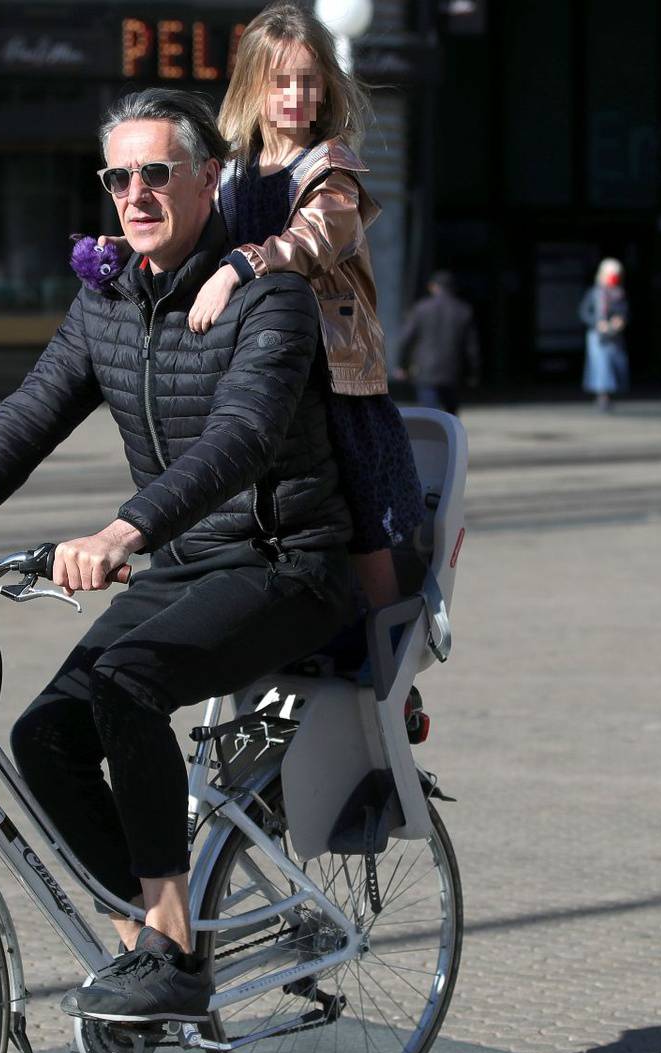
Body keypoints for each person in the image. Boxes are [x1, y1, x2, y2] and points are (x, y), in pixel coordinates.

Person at [0, 88, 353, 1023]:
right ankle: (145, 940)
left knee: (127, 680)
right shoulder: (106, 303)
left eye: (156, 173)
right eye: (119, 177)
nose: (135, 194)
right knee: (43, 738)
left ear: (209, 178)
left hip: (288, 561)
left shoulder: (272, 295)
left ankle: (175, 949)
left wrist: (120, 531)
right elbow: (28, 417)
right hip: (186, 564)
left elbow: (244, 437)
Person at [193, 0, 424, 619]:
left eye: (308, 79)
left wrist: (238, 267)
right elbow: (194, 238)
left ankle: (389, 645)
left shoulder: (332, 169)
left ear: (325, 85)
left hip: (332, 372)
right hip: (255, 362)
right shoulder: (232, 172)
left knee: (360, 513)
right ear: (253, 87)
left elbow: (313, 241)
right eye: (280, 81)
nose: (296, 95)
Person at [394, 270, 480, 415]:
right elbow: (472, 348)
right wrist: (473, 373)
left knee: (429, 415)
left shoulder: (421, 308)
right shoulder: (463, 310)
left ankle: (431, 436)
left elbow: (406, 340)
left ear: (433, 287)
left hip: (426, 371)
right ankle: (451, 437)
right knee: (451, 417)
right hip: (452, 372)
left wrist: (402, 366)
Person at [581, 258, 629, 411]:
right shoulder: (595, 293)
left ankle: (610, 393)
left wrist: (620, 320)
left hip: (614, 335)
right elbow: (584, 312)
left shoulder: (619, 293)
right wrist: (597, 324)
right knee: (601, 366)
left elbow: (625, 311)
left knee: (615, 363)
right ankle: (602, 396)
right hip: (598, 335)